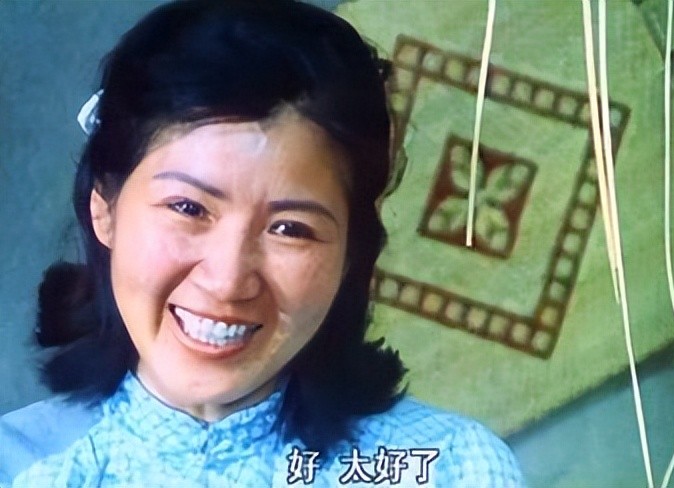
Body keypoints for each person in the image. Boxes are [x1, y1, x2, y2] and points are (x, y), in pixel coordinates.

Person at [0, 0, 524, 485]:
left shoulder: (451, 468)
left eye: (290, 229)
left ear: (350, 253)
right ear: (105, 208)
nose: (228, 281)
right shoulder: (19, 467)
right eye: (188, 208)